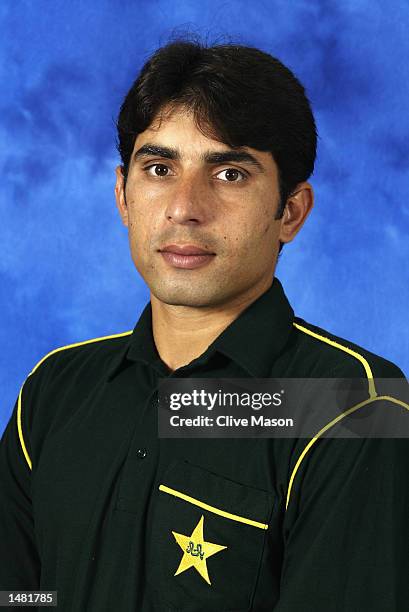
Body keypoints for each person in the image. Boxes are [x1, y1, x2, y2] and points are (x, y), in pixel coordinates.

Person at [1, 35, 408, 612]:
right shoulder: (56, 391)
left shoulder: (353, 409)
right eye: (160, 167)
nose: (185, 206)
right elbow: (21, 594)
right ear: (123, 196)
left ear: (290, 211)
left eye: (230, 174)